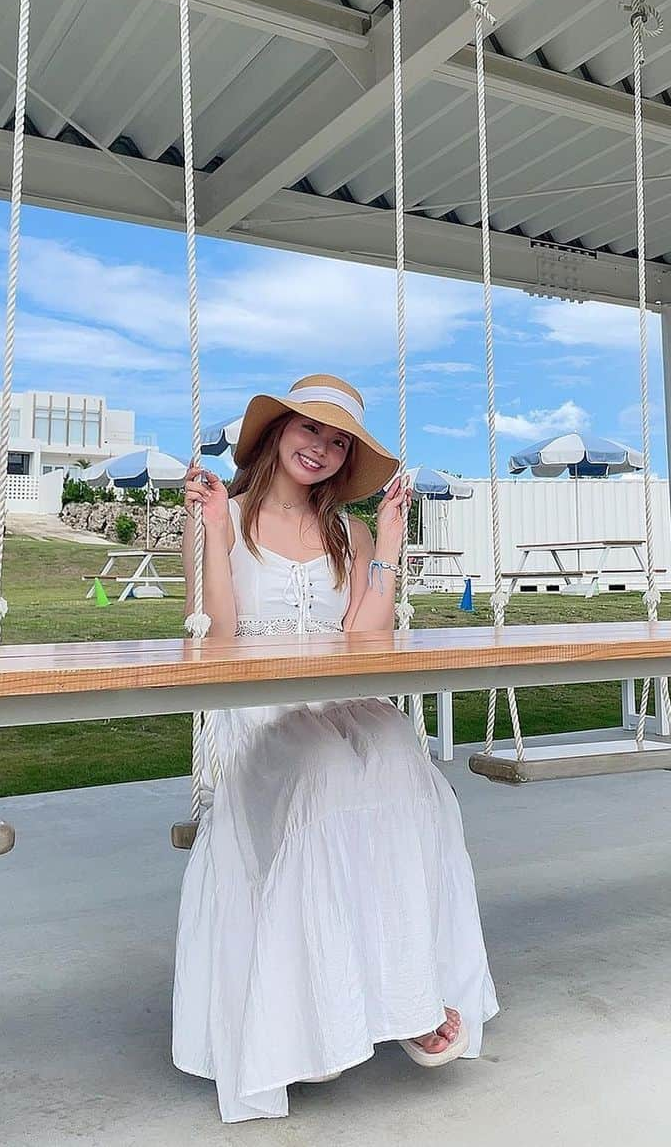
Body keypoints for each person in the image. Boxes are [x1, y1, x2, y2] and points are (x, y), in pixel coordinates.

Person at [172, 374, 498, 1122]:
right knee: (323, 775)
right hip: (254, 703)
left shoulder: (345, 532)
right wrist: (216, 533)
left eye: (337, 440)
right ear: (276, 434)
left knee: (401, 759)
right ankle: (311, 1017)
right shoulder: (224, 514)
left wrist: (386, 543)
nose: (320, 447)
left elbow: (367, 639)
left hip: (336, 694)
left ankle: (410, 993)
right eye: (308, 430)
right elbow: (216, 634)